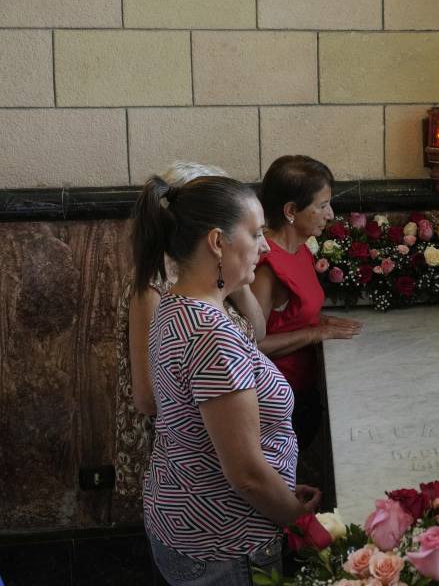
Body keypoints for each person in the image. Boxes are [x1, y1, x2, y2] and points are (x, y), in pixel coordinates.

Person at [131, 174, 319, 585]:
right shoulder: (211, 334)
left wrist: (281, 486)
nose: (266, 246)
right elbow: (247, 475)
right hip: (226, 544)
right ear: (217, 242)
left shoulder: (177, 303)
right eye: (255, 234)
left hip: (186, 516)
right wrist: (297, 518)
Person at [113, 162, 268, 519]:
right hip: (184, 450)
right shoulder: (157, 284)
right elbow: (148, 395)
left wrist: (239, 281)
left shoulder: (211, 276)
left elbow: (257, 333)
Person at [252, 155, 361, 451]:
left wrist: (322, 321)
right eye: (322, 206)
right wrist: (315, 333)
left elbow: (292, 314)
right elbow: (249, 347)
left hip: (306, 388)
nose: (331, 214)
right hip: (278, 402)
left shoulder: (299, 249)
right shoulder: (267, 266)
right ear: (290, 211)